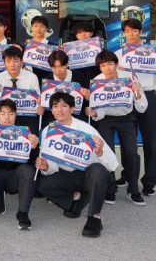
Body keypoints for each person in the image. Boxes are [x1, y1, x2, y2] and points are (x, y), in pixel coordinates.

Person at [36, 92, 117, 238]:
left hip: (90, 176)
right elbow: (52, 164)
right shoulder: (48, 131)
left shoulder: (86, 129)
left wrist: (99, 152)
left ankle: (94, 218)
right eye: (55, 106)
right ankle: (76, 199)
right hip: (68, 176)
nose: (60, 110)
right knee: (41, 183)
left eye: (64, 106)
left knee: (97, 170)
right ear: (51, 110)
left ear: (72, 109)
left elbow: (112, 165)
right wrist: (46, 166)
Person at [85, 50, 147, 206]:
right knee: (107, 152)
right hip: (105, 119)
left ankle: (133, 190)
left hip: (126, 118)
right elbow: (99, 109)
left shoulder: (129, 78)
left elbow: (142, 107)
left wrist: (137, 93)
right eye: (103, 65)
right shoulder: (97, 81)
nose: (107, 68)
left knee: (132, 153)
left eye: (110, 64)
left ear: (116, 64)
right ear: (99, 67)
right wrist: (94, 112)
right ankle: (110, 189)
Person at [114, 18, 156, 197]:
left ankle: (150, 181)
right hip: (127, 98)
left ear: (140, 32)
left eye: (134, 30)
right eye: (127, 31)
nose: (131, 34)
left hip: (148, 95)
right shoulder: (118, 54)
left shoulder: (153, 53)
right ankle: (127, 175)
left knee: (150, 141)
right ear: (123, 33)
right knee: (127, 142)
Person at [0, 98, 39, 230]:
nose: (7, 117)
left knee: (27, 171)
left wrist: (34, 149)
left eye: (11, 113)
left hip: (16, 174)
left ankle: (23, 213)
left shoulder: (25, 132)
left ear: (16, 114)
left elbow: (32, 165)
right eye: (3, 113)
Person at [0, 46, 41, 135]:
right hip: (7, 117)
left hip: (28, 116)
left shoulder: (32, 77)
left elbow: (37, 102)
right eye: (8, 61)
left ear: (21, 62)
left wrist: (39, 105)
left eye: (16, 61)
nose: (12, 65)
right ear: (4, 63)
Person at [42, 50, 90, 126]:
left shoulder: (79, 77)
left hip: (77, 116)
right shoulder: (47, 81)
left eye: (61, 66)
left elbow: (86, 103)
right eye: (54, 67)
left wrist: (88, 97)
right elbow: (46, 107)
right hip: (55, 117)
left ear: (67, 64)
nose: (58, 70)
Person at [25, 15, 57, 83]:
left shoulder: (53, 47)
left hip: (47, 81)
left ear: (46, 29)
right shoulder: (26, 46)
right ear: (31, 28)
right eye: (35, 26)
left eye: (41, 26)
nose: (38, 29)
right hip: (29, 81)